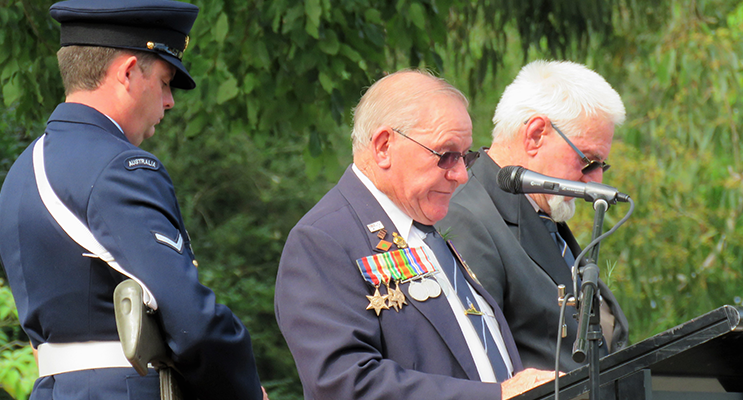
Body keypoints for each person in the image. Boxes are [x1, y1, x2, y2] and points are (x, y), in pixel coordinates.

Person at [0, 1, 266, 399]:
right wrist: (244, 388)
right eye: (164, 81)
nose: (170, 100)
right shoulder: (120, 166)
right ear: (127, 73)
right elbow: (190, 318)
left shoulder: (21, 172)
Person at [274, 69, 556, 400]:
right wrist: (496, 396)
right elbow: (344, 385)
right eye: (446, 155)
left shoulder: (420, 228)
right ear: (383, 147)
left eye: (466, 156)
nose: (461, 175)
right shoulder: (322, 240)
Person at [437, 60, 630, 373]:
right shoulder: (464, 218)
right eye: (587, 161)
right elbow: (475, 366)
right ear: (536, 134)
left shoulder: (543, 214)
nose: (595, 182)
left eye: (601, 166)